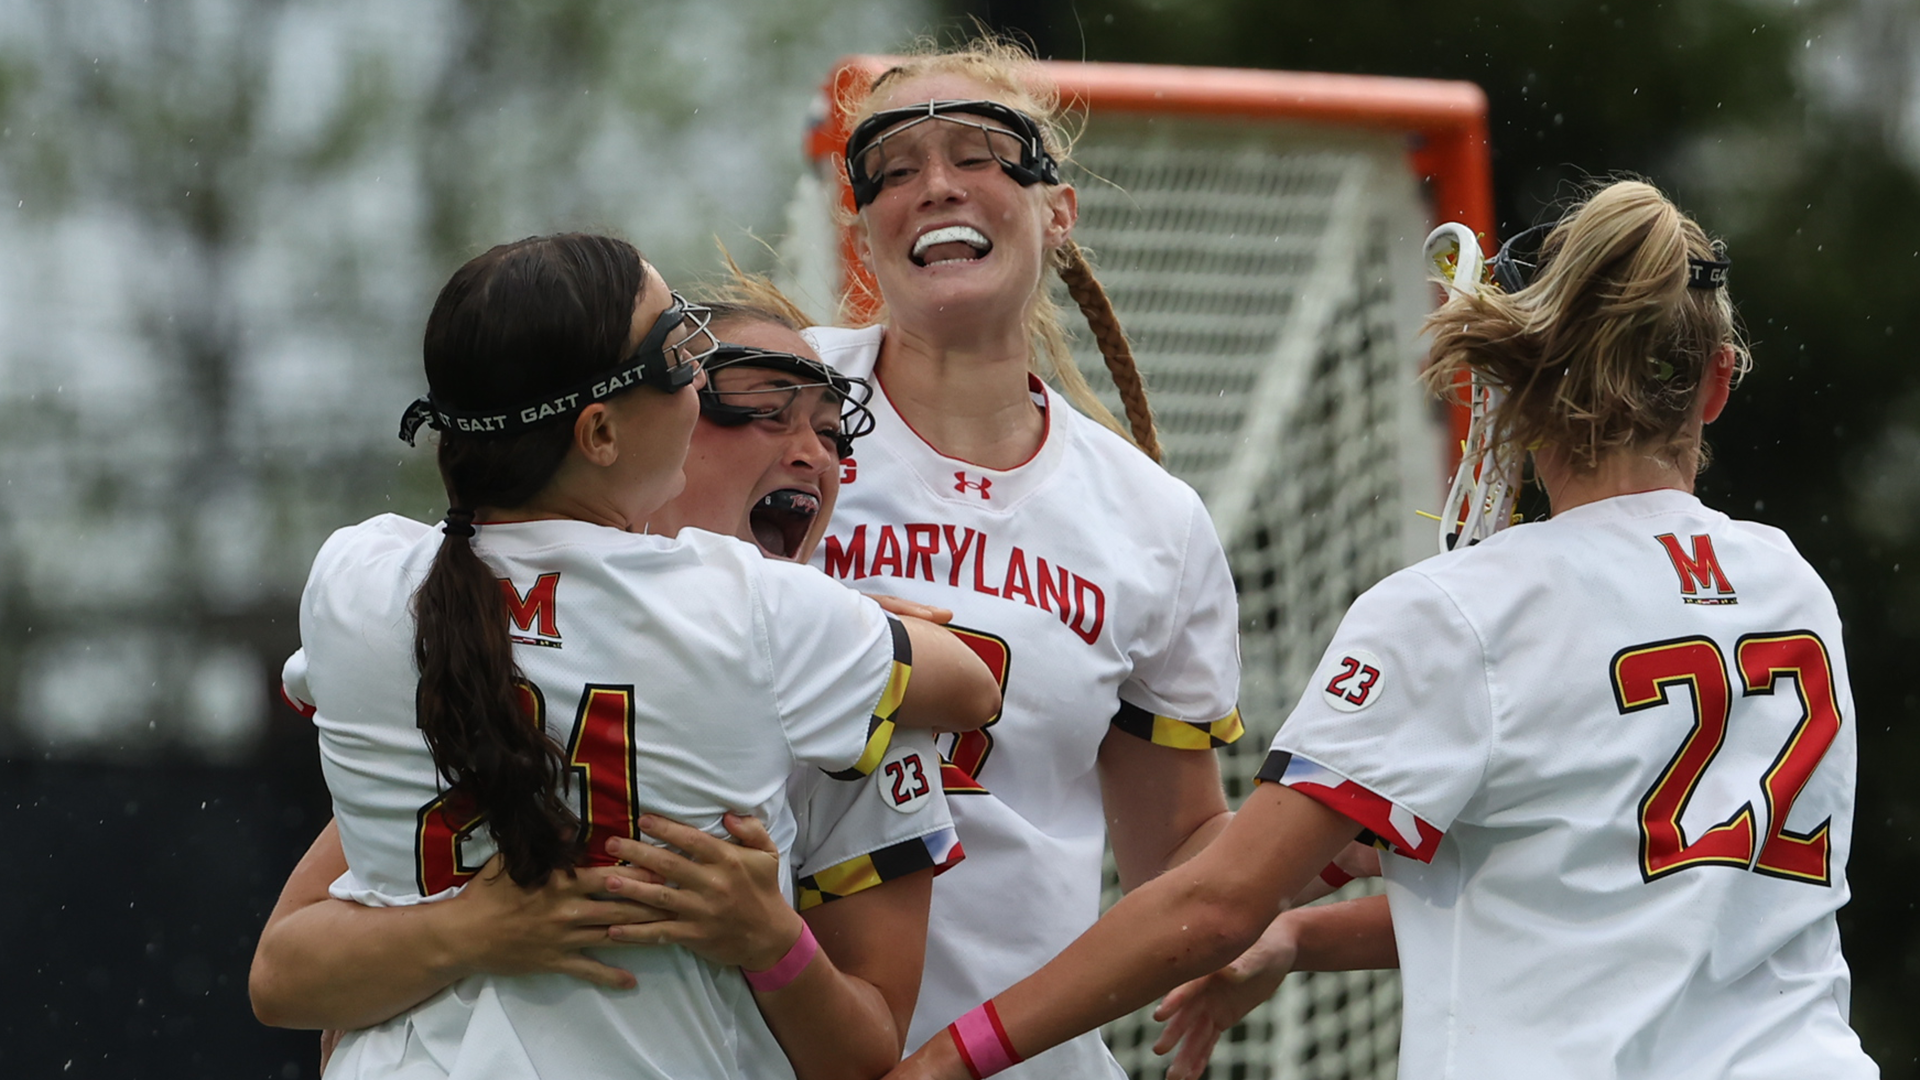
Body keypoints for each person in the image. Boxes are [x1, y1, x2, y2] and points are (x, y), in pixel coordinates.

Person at [878, 179, 1878, 1080]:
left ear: (1514, 389)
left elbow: (1217, 904)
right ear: (1715, 382)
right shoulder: (1790, 587)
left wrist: (951, 1060)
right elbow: (1605, 898)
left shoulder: (1462, 613)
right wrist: (1303, 940)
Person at [269, 232, 1000, 1080]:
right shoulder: (773, 622)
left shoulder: (358, 581)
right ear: (601, 434)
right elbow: (971, 686)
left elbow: (283, 981)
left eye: (832, 430)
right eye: (738, 394)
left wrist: (460, 930)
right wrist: (848, 618)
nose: (810, 450)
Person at [759, 37, 1249, 1080]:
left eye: (980, 153)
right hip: (747, 1048)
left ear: (1056, 212)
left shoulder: (1150, 518)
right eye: (893, 169)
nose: (935, 184)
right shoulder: (754, 407)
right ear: (862, 226)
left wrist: (1300, 849)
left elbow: (1180, 862)